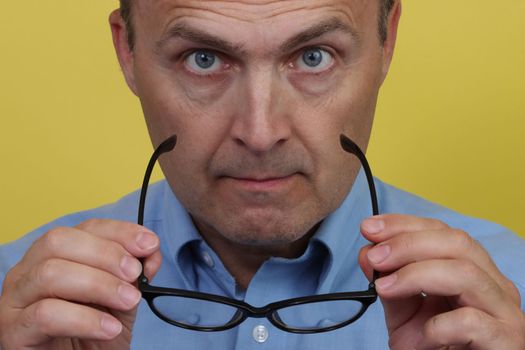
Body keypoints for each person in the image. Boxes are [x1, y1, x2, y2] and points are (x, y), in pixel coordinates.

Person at [0, 0, 524, 349]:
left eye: (314, 57)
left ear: (387, 43)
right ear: (127, 51)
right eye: (203, 59)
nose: (260, 130)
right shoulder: (19, 304)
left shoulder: (508, 293)